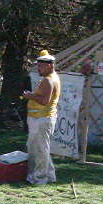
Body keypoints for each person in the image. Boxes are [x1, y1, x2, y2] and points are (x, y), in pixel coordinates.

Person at [22, 50, 61, 185]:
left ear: (49, 66)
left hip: (41, 118)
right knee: (42, 147)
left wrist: (29, 96)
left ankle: (39, 177)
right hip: (41, 117)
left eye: (41, 66)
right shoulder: (51, 78)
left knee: (39, 149)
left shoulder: (48, 80)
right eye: (38, 65)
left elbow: (44, 101)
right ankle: (49, 175)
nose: (38, 68)